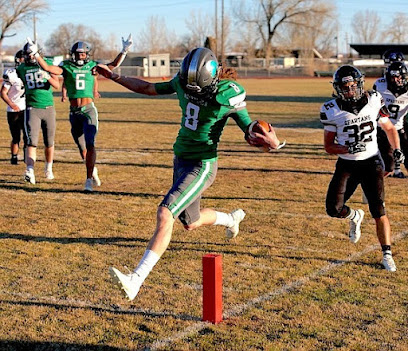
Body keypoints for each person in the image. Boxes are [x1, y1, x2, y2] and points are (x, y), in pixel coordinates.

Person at [95, 47, 282, 300]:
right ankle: (230, 219)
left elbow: (249, 126)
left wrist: (266, 140)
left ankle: (135, 279)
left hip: (202, 164)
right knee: (190, 222)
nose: (191, 90)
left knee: (165, 212)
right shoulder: (184, 82)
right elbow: (147, 88)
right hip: (181, 159)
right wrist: (114, 77)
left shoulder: (228, 95)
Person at [320, 65, 403, 272]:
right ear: (338, 88)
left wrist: (397, 149)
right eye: (344, 87)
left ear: (359, 84)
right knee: (333, 208)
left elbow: (390, 128)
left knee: (378, 210)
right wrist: (346, 147)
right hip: (346, 164)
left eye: (352, 86)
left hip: (371, 162)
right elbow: (329, 146)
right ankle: (355, 216)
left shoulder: (375, 100)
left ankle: (387, 253)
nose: (349, 90)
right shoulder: (331, 109)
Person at [26, 34, 133, 192]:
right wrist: (36, 54)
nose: (80, 56)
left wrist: (124, 51)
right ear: (72, 54)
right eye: (77, 54)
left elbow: (111, 66)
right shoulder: (67, 66)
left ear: (87, 54)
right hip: (74, 112)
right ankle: (93, 170)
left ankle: (88, 180)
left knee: (90, 143)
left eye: (82, 54)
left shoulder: (92, 66)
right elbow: (48, 68)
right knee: (82, 147)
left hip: (89, 110)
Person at [16, 42, 60, 184]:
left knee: (49, 142)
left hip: (48, 107)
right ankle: (30, 170)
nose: (29, 56)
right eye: (27, 54)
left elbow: (57, 85)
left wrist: (47, 76)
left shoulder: (46, 63)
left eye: (31, 53)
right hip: (32, 108)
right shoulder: (22, 68)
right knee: (31, 141)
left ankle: (49, 168)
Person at [373, 61, 408, 178]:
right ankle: (371, 180)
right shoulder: (380, 85)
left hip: (398, 128)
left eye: (398, 77)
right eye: (393, 77)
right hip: (381, 128)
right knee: (388, 165)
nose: (395, 80)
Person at [1, 50, 26, 164]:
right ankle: (14, 156)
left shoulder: (29, 72)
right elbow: (3, 93)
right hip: (14, 110)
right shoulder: (12, 74)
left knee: (28, 136)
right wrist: (11, 104)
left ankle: (27, 157)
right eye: (22, 58)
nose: (23, 60)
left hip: (27, 108)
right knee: (16, 137)